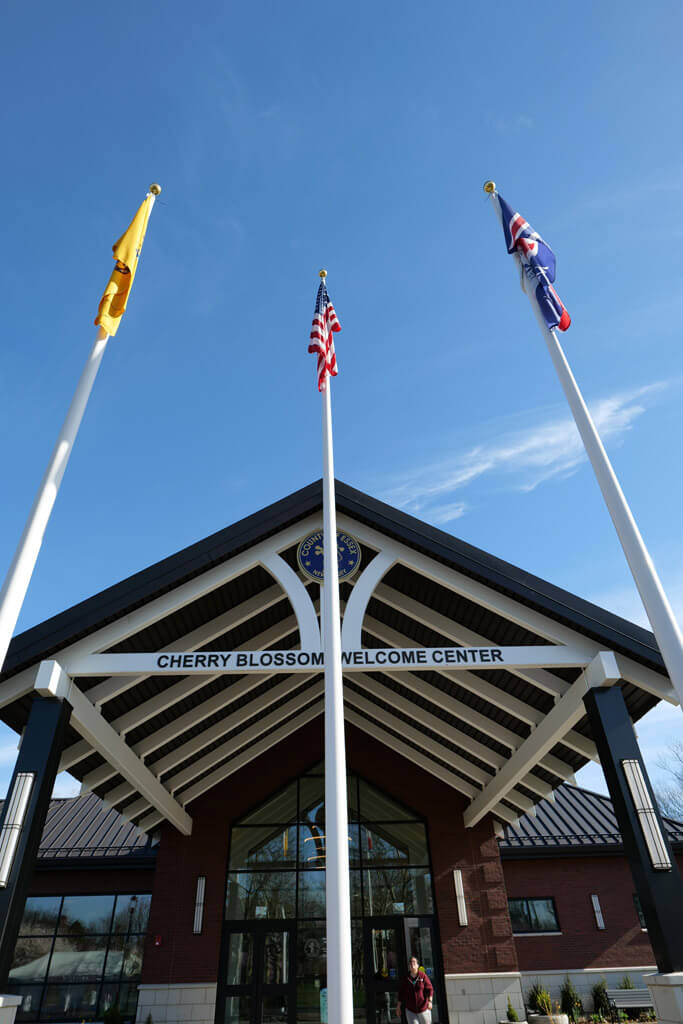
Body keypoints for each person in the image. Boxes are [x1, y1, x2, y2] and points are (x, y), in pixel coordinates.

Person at [396, 955, 434, 1024]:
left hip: (423, 1009)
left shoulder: (423, 976)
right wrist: (398, 1007)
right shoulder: (406, 978)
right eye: (410, 963)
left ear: (417, 965)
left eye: (414, 962)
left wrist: (430, 1001)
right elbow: (401, 993)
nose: (412, 964)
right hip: (411, 1010)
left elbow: (430, 989)